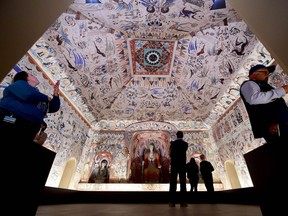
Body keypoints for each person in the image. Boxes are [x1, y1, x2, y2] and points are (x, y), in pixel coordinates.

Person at [0, 71, 60, 215]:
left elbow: (53, 108)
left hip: (28, 126)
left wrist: (56, 96)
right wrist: (48, 97)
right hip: (10, 119)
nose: (35, 76)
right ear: (26, 78)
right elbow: (28, 95)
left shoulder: (37, 94)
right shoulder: (19, 85)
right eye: (32, 74)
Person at [240, 64, 288, 145]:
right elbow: (254, 99)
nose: (267, 75)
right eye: (265, 73)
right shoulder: (248, 84)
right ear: (254, 74)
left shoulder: (264, 86)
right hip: (274, 128)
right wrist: (282, 90)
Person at [169, 131, 188, 207]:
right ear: (182, 136)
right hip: (182, 165)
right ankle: (183, 202)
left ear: (176, 136)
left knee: (173, 183)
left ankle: (172, 202)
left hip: (174, 165)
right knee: (183, 183)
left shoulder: (172, 143)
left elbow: (170, 154)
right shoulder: (185, 144)